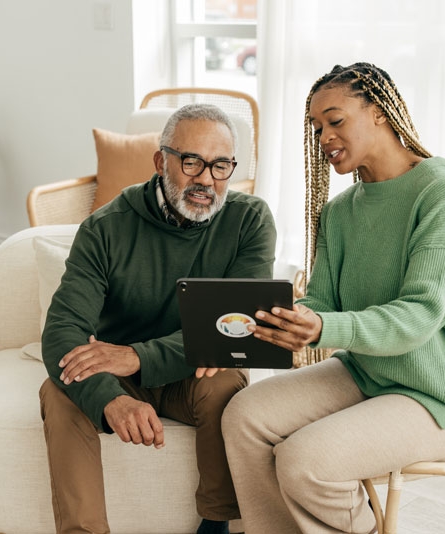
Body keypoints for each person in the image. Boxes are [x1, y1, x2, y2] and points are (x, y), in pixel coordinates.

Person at [221, 62, 445, 533]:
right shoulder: (340, 211)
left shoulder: (442, 190)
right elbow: (324, 300)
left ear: (380, 114)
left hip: (440, 397)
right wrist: (290, 319)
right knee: (244, 414)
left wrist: (325, 328)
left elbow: (420, 315)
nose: (323, 136)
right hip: (368, 372)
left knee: (305, 459)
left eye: (335, 120)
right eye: (316, 127)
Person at [39, 103, 277, 534]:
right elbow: (61, 332)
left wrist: (137, 356)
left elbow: (235, 331)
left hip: (194, 373)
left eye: (220, 165)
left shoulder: (250, 220)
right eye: (191, 162)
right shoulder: (104, 228)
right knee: (59, 393)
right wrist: (110, 397)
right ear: (159, 160)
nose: (206, 178)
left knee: (225, 382)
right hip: (119, 376)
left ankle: (216, 523)